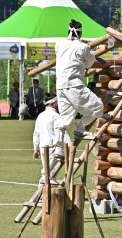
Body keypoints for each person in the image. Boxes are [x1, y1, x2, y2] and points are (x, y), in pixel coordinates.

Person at [54, 20, 104, 149]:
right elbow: (89, 64)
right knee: (98, 107)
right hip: (74, 84)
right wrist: (86, 46)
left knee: (65, 117)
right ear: (80, 34)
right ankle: (80, 128)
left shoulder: (59, 44)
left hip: (60, 86)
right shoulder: (83, 47)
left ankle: (58, 145)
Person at [33, 95, 70, 184]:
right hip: (52, 147)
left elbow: (36, 133)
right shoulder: (56, 116)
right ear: (53, 104)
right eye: (57, 103)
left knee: (50, 171)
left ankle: (48, 195)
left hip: (43, 147)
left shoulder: (40, 115)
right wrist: (70, 144)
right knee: (48, 173)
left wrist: (36, 149)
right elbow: (61, 132)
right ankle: (42, 195)